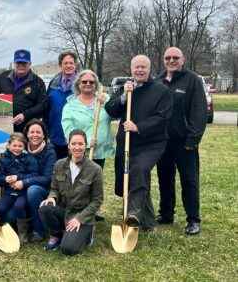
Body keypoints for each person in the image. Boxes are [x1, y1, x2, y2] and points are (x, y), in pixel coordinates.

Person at [105, 55, 172, 231]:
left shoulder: (161, 91)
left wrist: (138, 126)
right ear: (131, 69)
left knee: (139, 169)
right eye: (137, 67)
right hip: (126, 142)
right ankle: (149, 223)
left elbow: (163, 117)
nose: (140, 70)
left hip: (151, 142)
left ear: (149, 69)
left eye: (143, 67)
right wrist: (124, 98)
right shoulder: (126, 88)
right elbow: (110, 109)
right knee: (133, 179)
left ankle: (133, 213)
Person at [156, 47, 207, 235]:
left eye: (175, 57)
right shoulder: (158, 80)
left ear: (183, 60)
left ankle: (193, 219)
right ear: (163, 60)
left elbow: (199, 111)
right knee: (165, 179)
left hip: (185, 142)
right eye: (168, 57)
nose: (171, 60)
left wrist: (192, 140)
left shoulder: (192, 80)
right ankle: (166, 214)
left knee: (189, 181)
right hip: (163, 142)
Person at [39, 129, 103, 255]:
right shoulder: (59, 165)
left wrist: (79, 218)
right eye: (73, 144)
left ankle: (87, 233)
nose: (77, 147)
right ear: (68, 145)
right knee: (45, 208)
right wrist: (52, 197)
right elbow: (54, 188)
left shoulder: (95, 169)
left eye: (80, 144)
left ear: (86, 145)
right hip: (64, 211)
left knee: (68, 249)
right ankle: (57, 235)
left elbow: (97, 200)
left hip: (82, 215)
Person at [62, 69, 114, 168]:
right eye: (84, 82)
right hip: (79, 152)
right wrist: (85, 142)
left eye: (91, 82)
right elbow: (68, 129)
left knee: (96, 180)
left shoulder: (104, 99)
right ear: (78, 84)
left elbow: (116, 114)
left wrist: (106, 104)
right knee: (80, 180)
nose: (88, 84)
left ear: (96, 85)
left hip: (99, 151)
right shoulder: (70, 106)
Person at [0, 132, 38, 243]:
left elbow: (34, 174)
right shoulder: (4, 159)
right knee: (0, 208)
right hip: (9, 191)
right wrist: (5, 179)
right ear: (9, 145)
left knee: (19, 206)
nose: (17, 148)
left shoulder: (29, 158)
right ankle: (5, 229)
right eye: (14, 145)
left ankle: (22, 233)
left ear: (24, 146)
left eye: (20, 146)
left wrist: (18, 177)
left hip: (23, 192)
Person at [0, 49, 46, 133]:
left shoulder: (38, 82)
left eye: (24, 63)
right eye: (18, 63)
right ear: (14, 63)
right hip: (3, 127)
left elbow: (42, 105)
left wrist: (25, 115)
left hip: (26, 128)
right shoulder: (2, 78)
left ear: (30, 64)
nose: (21, 66)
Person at [46, 51, 79, 160]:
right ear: (60, 65)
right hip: (55, 134)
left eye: (71, 63)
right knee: (56, 170)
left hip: (75, 136)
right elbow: (47, 107)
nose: (69, 66)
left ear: (75, 65)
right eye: (65, 63)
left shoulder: (82, 84)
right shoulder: (53, 84)